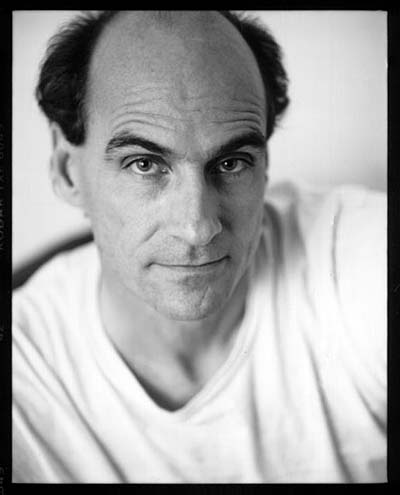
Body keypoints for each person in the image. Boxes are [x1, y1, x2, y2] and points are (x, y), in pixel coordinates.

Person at [12, 10, 386, 483]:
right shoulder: (23, 376)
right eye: (144, 164)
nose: (198, 227)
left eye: (232, 162)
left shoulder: (352, 258)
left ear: (265, 165)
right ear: (68, 171)